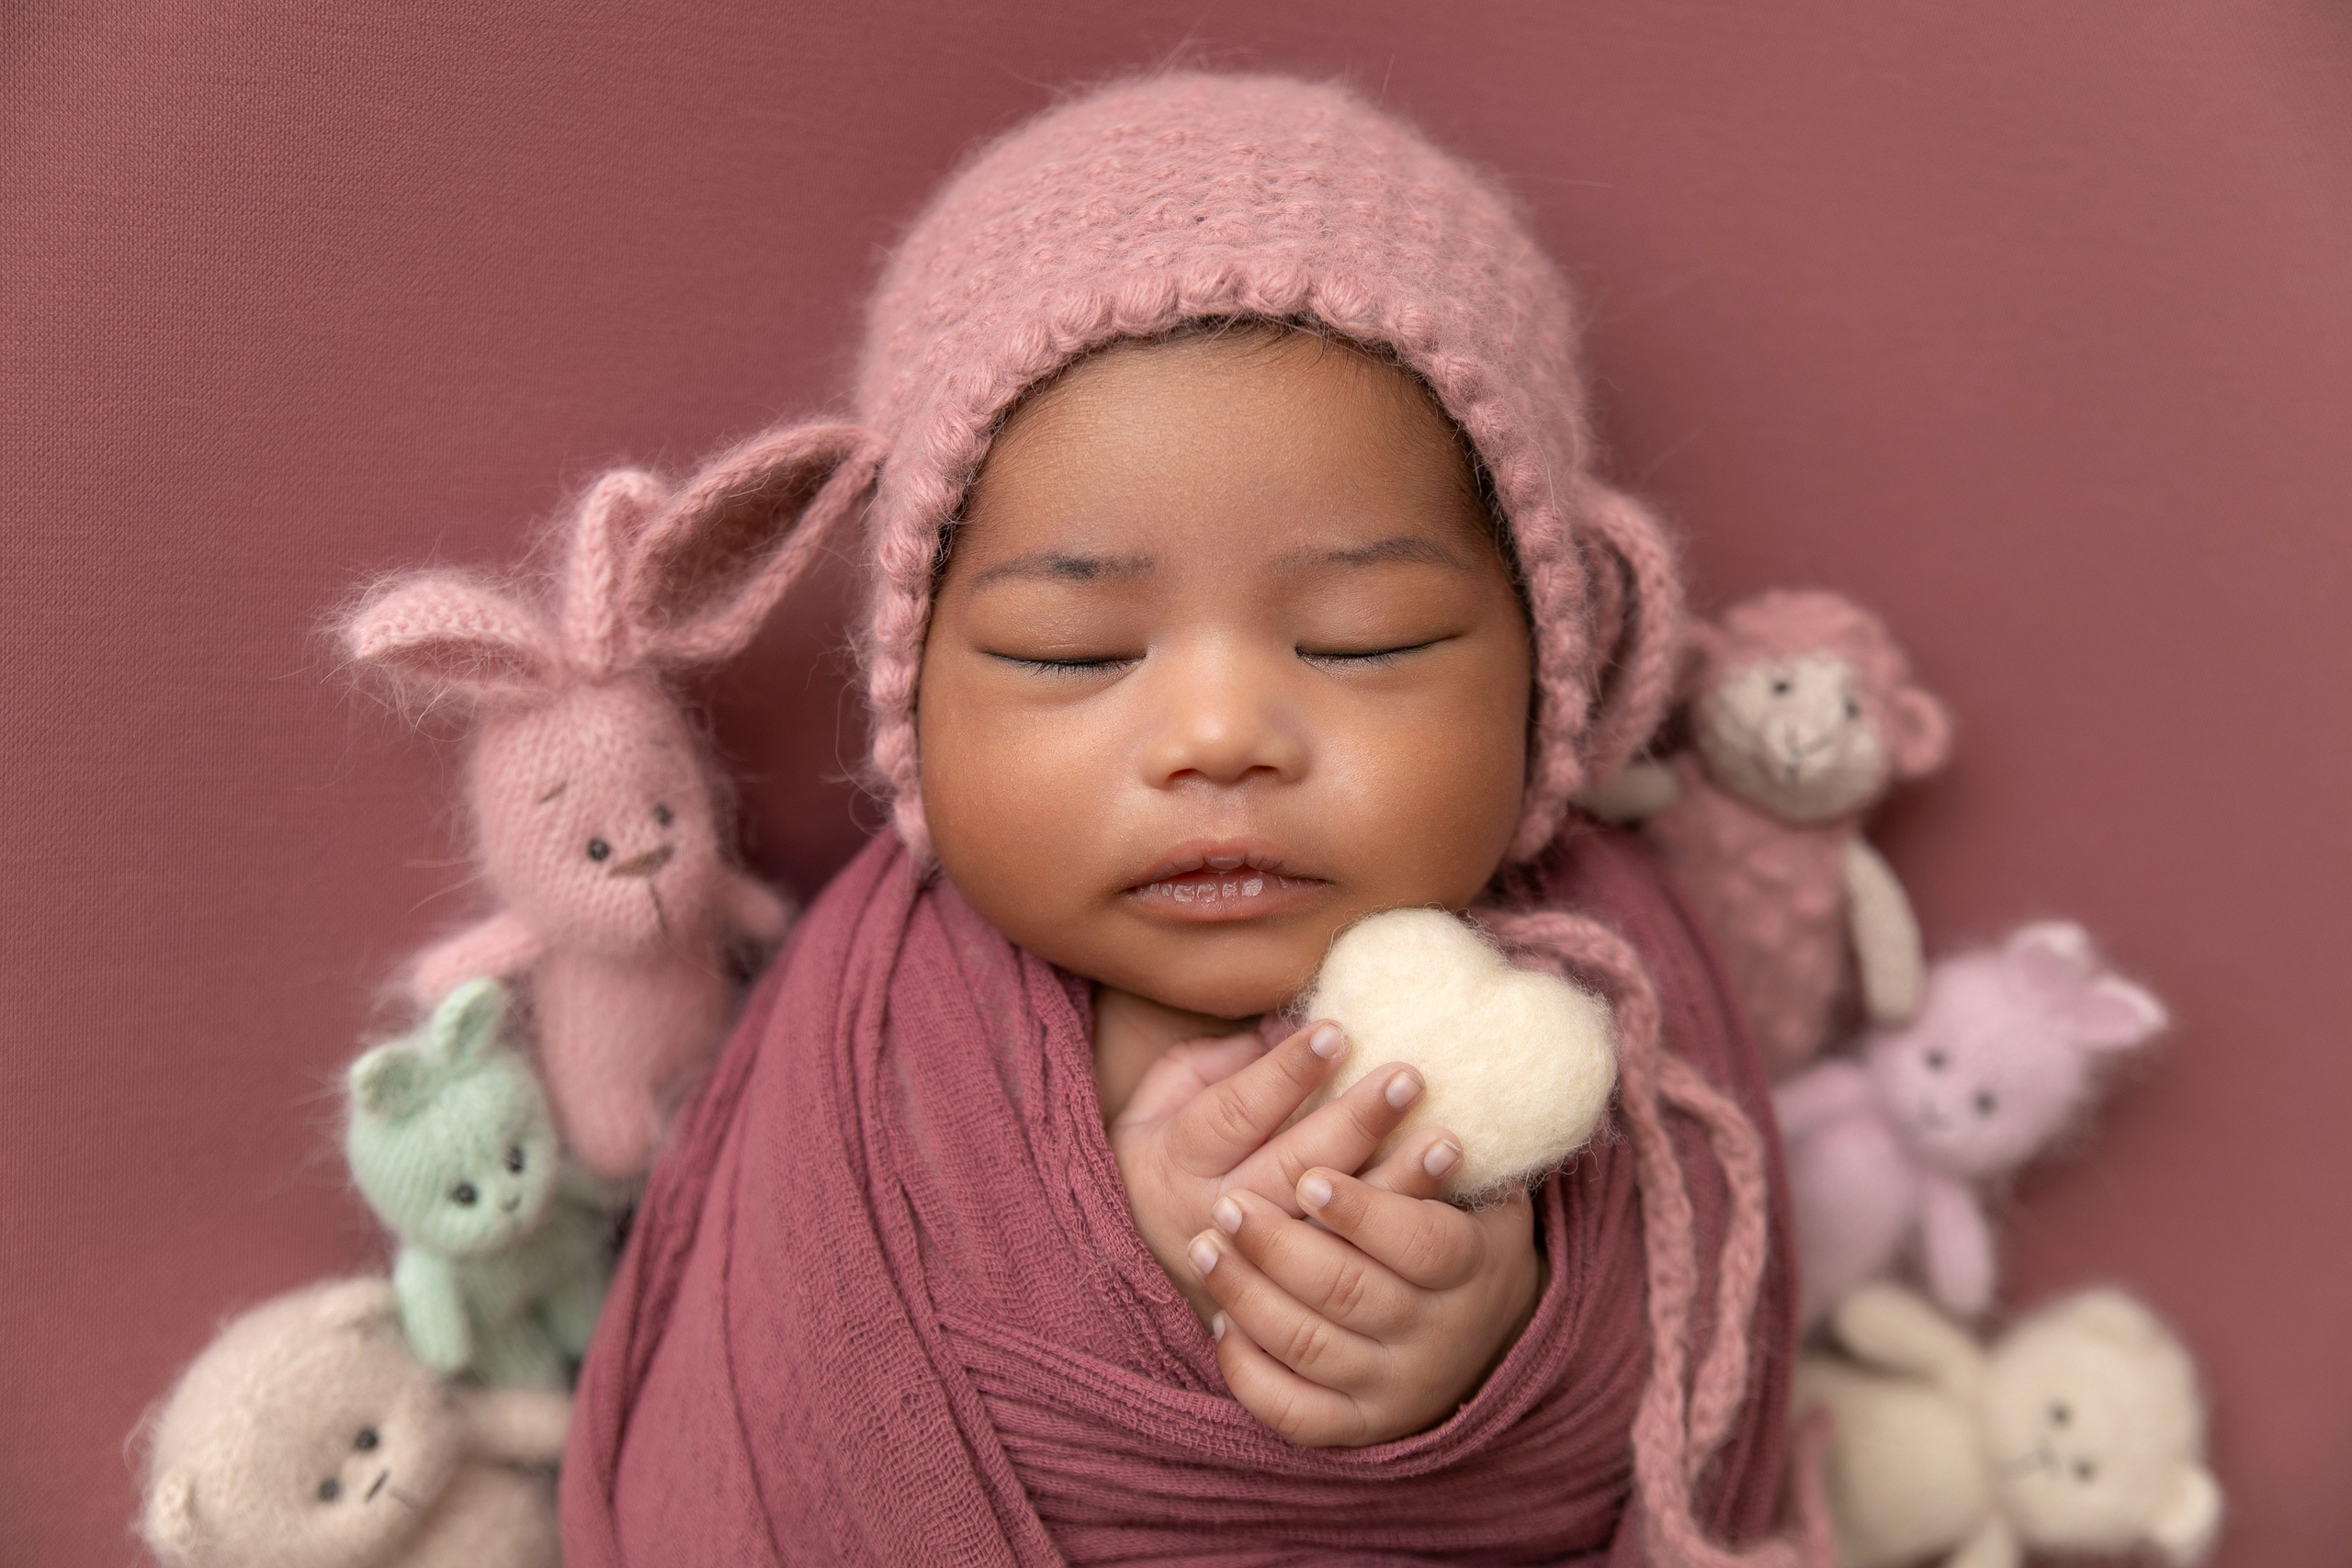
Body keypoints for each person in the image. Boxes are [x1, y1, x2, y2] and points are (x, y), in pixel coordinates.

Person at [562, 72, 1814, 1566]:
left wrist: (1480, 1340)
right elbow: (774, 1414)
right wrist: (1120, 1257)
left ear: (1552, 663)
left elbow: (1672, 1371)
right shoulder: (868, 1045)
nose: (1219, 738)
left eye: (1365, 638)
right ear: (914, 692)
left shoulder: (1605, 1001)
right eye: (1071, 656)